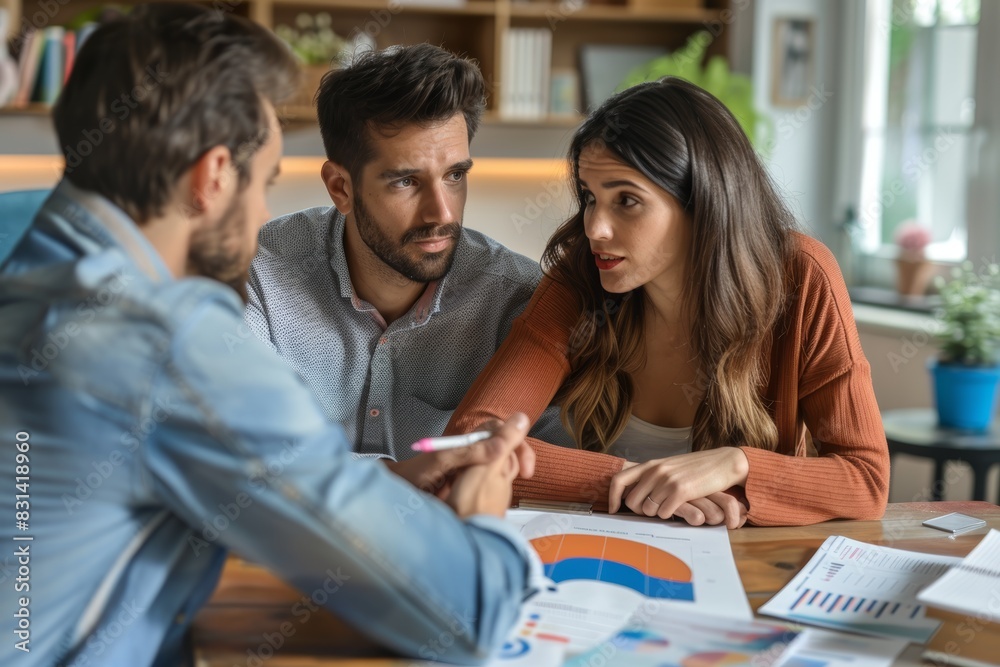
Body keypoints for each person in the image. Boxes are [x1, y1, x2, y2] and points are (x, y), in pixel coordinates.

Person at [0, 5, 542, 666]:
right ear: (213, 176)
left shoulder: (28, 270)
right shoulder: (164, 337)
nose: (262, 213)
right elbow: (467, 612)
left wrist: (380, 487)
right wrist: (486, 513)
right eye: (266, 183)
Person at [446, 77, 890, 528]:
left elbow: (865, 479)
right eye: (589, 197)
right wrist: (638, 484)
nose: (595, 227)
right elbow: (473, 439)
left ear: (703, 203)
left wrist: (737, 464)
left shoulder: (802, 277)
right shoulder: (580, 279)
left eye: (627, 201)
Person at [244, 43, 572, 481]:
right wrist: (403, 478)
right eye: (405, 181)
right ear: (340, 187)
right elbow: (244, 448)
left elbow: (544, 456)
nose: (443, 213)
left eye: (455, 175)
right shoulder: (261, 271)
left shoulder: (515, 297)